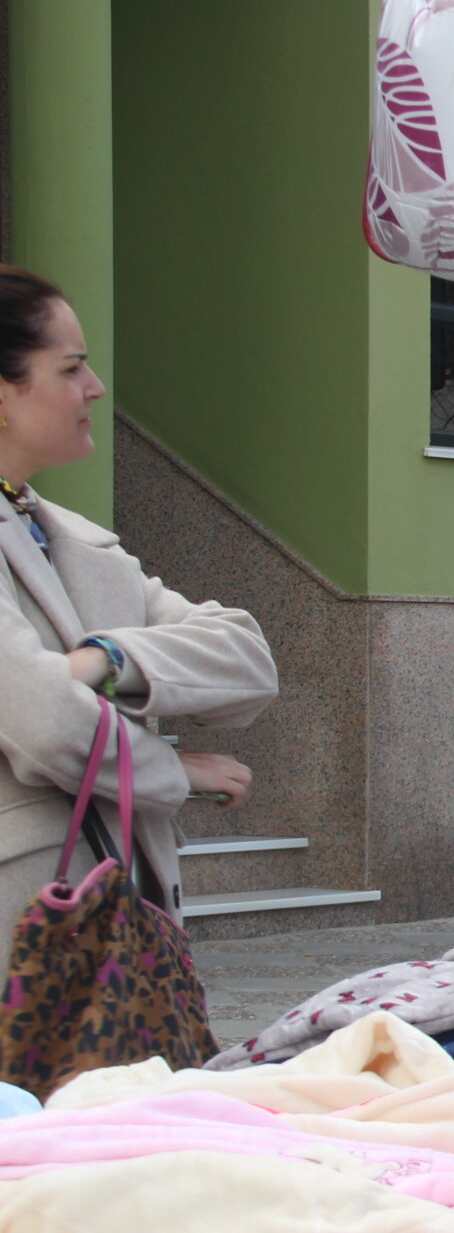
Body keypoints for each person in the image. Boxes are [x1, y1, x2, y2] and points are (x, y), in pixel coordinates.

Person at [0, 265, 276, 926]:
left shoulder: (74, 539)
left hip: (117, 932)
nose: (95, 386)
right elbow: (40, 719)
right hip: (26, 936)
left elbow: (247, 659)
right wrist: (173, 771)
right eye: (71, 368)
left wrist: (107, 659)